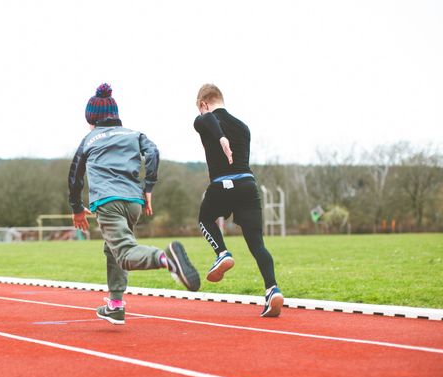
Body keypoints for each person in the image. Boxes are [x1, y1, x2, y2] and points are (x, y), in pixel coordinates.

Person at [68, 83, 200, 325]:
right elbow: (153, 153)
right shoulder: (133, 134)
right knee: (113, 249)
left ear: (92, 119)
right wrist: (148, 187)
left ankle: (167, 259)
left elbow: (75, 175)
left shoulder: (89, 139)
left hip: (108, 202)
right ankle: (115, 305)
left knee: (125, 253)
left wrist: (76, 208)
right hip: (133, 203)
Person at [193, 83, 284, 317]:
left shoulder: (204, 119)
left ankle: (222, 253)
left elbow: (208, 121)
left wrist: (221, 137)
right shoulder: (243, 127)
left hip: (223, 184)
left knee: (205, 219)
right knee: (257, 244)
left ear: (204, 105)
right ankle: (272, 289)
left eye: (201, 109)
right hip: (248, 185)